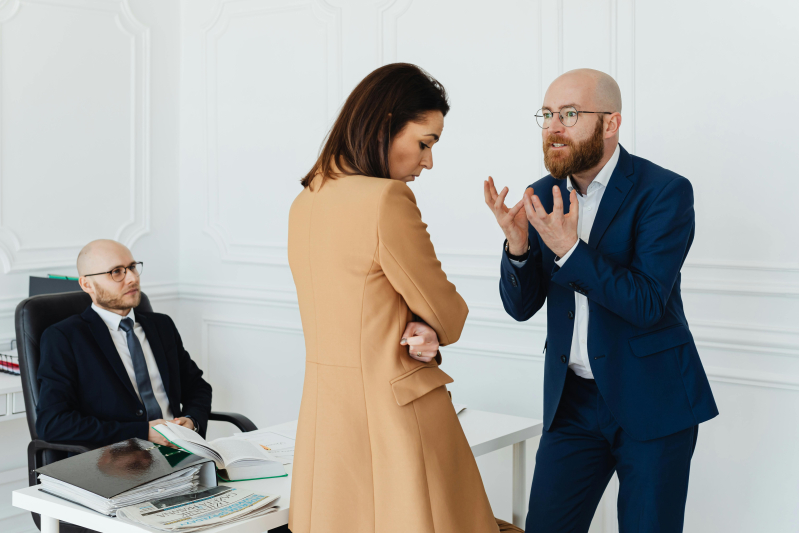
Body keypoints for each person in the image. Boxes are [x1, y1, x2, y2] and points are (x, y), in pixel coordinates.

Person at [288, 63, 519, 533]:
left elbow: (360, 299)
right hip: (395, 417)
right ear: (386, 123)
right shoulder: (384, 200)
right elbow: (448, 313)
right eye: (425, 143)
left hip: (327, 422)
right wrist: (430, 323)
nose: (427, 162)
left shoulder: (305, 201)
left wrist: (415, 322)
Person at [485, 68, 718, 532]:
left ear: (610, 123)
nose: (554, 126)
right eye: (547, 114)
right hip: (571, 403)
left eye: (569, 114)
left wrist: (571, 252)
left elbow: (648, 302)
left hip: (652, 399)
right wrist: (517, 247)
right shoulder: (543, 193)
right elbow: (521, 307)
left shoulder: (665, 192)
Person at [36, 239, 212, 448]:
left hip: (181, 453)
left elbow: (197, 387)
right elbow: (53, 423)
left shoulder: (161, 326)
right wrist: (143, 432)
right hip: (115, 463)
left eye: (132, 267)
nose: (131, 278)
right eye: (116, 272)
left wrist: (192, 421)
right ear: (87, 284)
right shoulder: (64, 338)